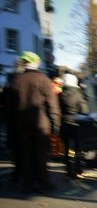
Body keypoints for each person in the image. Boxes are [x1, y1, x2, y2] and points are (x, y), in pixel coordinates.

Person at [9, 51, 61, 192]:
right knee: (41, 154)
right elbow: (52, 104)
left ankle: (28, 183)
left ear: (25, 63)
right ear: (36, 63)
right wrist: (55, 123)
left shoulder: (16, 80)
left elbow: (11, 106)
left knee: (26, 154)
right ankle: (43, 182)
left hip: (22, 124)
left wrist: (13, 125)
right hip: (41, 124)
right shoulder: (44, 80)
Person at [59, 72, 89, 178]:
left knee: (68, 149)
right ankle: (78, 169)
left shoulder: (60, 94)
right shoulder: (79, 94)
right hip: (77, 124)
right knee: (78, 149)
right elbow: (85, 110)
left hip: (64, 124)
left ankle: (69, 170)